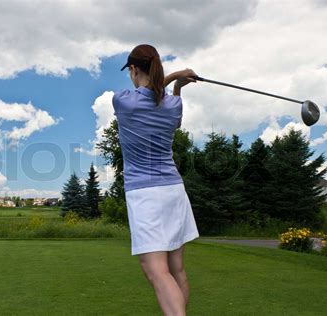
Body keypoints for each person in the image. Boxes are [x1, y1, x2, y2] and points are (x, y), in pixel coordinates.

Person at [113, 44, 199, 316]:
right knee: (176, 270)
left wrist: (175, 78)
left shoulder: (123, 101)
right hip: (173, 191)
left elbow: (148, 92)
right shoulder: (174, 104)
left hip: (145, 196)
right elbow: (165, 105)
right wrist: (177, 83)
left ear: (134, 69)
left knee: (157, 273)